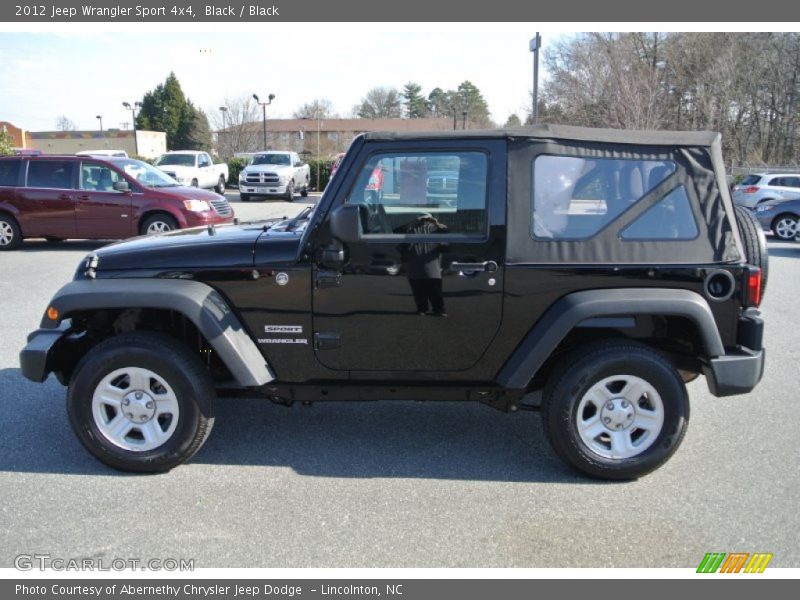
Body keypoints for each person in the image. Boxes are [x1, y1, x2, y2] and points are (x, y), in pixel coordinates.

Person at [401, 213, 448, 316]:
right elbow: (397, 233)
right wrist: (414, 223)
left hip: (429, 268)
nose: (424, 222)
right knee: (421, 292)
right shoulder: (411, 230)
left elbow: (446, 231)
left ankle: (435, 309)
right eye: (422, 220)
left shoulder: (433, 230)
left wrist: (436, 223)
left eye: (426, 219)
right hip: (418, 268)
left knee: (434, 292)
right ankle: (425, 309)